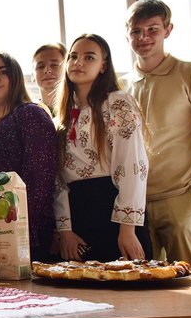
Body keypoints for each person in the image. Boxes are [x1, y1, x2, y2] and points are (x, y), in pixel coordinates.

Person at [122, 0, 191, 268]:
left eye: (152, 29)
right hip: (136, 208)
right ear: (127, 35)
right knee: (144, 286)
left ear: (168, 30)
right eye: (136, 31)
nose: (144, 37)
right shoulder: (120, 86)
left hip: (183, 199)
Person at [54, 34, 151, 263]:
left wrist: (127, 229)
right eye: (73, 56)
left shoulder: (117, 102)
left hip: (114, 211)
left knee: (128, 281)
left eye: (89, 57)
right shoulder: (61, 118)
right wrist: (65, 229)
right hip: (78, 218)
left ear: (103, 66)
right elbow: (58, 179)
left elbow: (132, 165)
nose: (78, 62)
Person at [0, 51, 57, 262]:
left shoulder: (30, 114)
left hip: (28, 230)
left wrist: (19, 227)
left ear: (16, 78)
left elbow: (41, 177)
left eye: (2, 72)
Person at [32, 42, 66, 119]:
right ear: (32, 76)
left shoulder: (81, 109)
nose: (47, 70)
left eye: (54, 65)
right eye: (40, 66)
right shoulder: (28, 113)